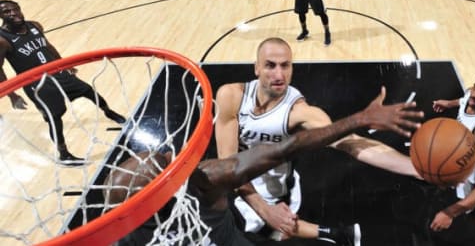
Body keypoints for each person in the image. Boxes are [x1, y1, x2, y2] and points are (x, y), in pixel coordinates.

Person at [109, 87, 423, 245]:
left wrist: (359, 121)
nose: (171, 157)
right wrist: (360, 118)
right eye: (166, 161)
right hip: (238, 207)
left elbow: (286, 147)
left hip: (251, 201)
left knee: (279, 218)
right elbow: (283, 148)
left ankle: (330, 232)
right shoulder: (204, 178)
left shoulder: (123, 220)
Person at [214, 37, 419, 244]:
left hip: (277, 191)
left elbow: (349, 142)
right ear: (256, 68)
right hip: (242, 182)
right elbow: (228, 162)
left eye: (286, 66)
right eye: (270, 66)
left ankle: (336, 234)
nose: (279, 75)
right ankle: (338, 234)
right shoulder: (231, 96)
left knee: (263, 233)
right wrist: (264, 210)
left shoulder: (300, 112)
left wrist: (413, 167)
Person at [0, 0, 126, 165]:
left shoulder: (35, 26)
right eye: (6, 12)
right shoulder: (3, 40)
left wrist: (64, 64)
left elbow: (48, 46)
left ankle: (108, 112)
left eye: (14, 9)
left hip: (57, 73)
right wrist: (12, 95)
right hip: (37, 85)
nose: (13, 13)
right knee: (54, 118)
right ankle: (64, 153)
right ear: (1, 16)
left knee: (88, 91)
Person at [429, 74, 475, 246]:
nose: (474, 94)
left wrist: (450, 213)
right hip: (460, 156)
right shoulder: (471, 95)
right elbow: (463, 100)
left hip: (474, 175)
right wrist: (447, 103)